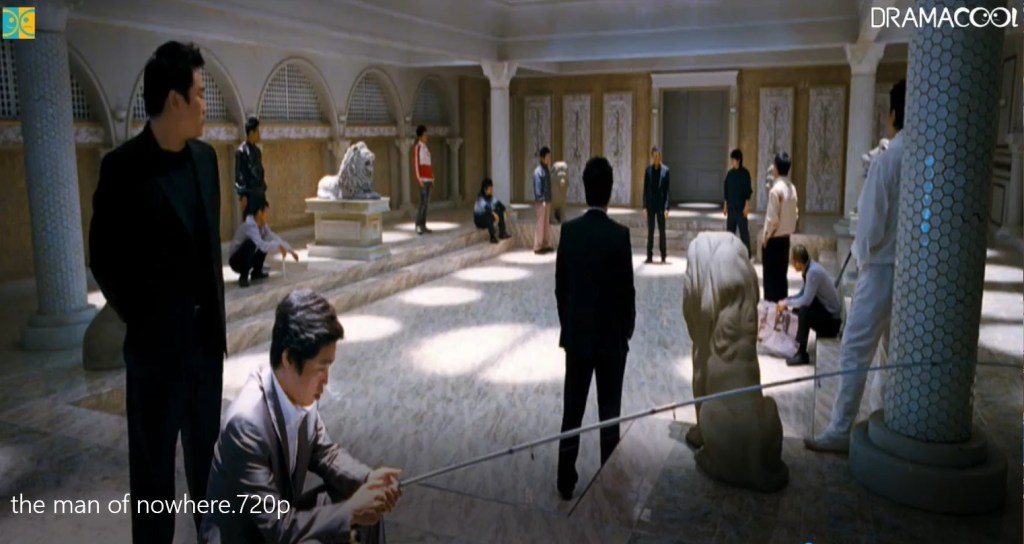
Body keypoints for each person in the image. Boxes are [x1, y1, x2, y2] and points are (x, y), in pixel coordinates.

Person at [89, 41, 225, 544]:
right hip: (154, 358)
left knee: (211, 478)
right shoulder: (123, 168)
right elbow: (103, 259)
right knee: (153, 486)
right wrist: (146, 319)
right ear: (174, 100)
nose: (206, 104)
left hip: (204, 353)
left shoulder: (206, 160)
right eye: (200, 93)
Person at [201, 290, 401, 543]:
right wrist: (351, 511)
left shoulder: (297, 393)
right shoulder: (246, 425)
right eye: (321, 367)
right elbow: (278, 527)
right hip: (248, 536)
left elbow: (326, 454)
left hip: (278, 520)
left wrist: (369, 480)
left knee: (369, 504)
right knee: (348, 516)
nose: (326, 380)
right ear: (288, 358)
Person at [806, 80, 906, 453]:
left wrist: (862, 258)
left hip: (879, 268)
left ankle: (840, 429)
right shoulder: (923, 156)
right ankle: (884, 418)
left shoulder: (888, 160)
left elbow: (869, 227)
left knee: (855, 350)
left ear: (893, 114)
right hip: (909, 271)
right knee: (891, 353)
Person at [555, 156, 636, 500]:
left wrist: (570, 325)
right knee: (609, 415)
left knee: (571, 412)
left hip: (578, 338)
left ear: (584, 188)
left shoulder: (570, 232)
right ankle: (609, 479)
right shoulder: (619, 236)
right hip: (610, 341)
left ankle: (565, 479)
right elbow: (627, 292)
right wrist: (626, 330)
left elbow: (560, 288)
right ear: (610, 192)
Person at [777, 245, 841, 366]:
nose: (792, 264)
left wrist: (787, 303)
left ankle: (801, 354)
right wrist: (787, 300)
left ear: (798, 262)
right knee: (796, 309)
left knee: (804, 312)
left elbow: (806, 300)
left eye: (793, 261)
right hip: (825, 313)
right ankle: (794, 345)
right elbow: (802, 294)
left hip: (832, 323)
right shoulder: (810, 268)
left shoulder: (813, 272)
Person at [228, 195, 299, 287]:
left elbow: (274, 237)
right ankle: (243, 277)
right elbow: (262, 245)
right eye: (265, 213)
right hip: (236, 261)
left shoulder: (262, 225)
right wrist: (278, 246)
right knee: (251, 244)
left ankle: (256, 273)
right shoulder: (250, 226)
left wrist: (291, 251)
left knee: (267, 240)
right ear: (259, 213)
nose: (267, 216)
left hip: (247, 259)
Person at [761, 152, 799, 302]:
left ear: (776, 168)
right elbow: (795, 214)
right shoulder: (792, 188)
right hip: (785, 240)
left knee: (771, 282)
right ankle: (782, 309)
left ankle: (771, 311)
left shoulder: (775, 191)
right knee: (782, 279)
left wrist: (766, 238)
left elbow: (772, 220)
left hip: (774, 241)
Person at [642, 145, 670, 264]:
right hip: (651, 205)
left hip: (661, 205)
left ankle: (663, 255)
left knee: (662, 231)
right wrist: (644, 207)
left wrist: (667, 208)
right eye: (654, 156)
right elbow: (645, 190)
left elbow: (667, 191)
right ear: (652, 157)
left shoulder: (666, 171)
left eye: (658, 156)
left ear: (660, 157)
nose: (656, 158)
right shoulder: (648, 170)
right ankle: (649, 255)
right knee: (650, 231)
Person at [723, 148, 753, 256]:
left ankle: (747, 254)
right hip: (731, 208)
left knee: (744, 233)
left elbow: (748, 191)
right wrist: (725, 205)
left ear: (738, 160)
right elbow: (726, 190)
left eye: (733, 160)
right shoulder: (730, 174)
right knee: (729, 233)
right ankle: (729, 253)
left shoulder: (745, 174)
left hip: (741, 209)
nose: (732, 162)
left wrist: (747, 206)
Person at [235, 116, 266, 213]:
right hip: (249, 195)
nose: (259, 134)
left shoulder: (257, 151)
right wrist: (242, 194)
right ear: (252, 132)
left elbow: (260, 171)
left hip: (259, 193)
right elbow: (240, 174)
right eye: (257, 131)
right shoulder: (242, 151)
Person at [473, 178, 511, 243]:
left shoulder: (490, 197)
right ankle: (492, 237)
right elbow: (486, 208)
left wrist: (505, 210)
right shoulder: (480, 198)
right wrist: (494, 214)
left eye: (492, 189)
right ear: (485, 190)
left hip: (487, 215)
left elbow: (498, 203)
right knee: (488, 216)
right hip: (479, 220)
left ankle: (502, 233)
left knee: (499, 211)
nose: (492, 191)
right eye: (490, 189)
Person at [533, 146, 554, 254]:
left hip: (547, 200)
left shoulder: (546, 170)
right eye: (547, 157)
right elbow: (538, 188)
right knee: (540, 224)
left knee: (546, 224)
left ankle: (545, 244)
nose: (549, 159)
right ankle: (538, 246)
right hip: (541, 202)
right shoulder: (538, 171)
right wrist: (542, 200)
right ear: (542, 158)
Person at [413, 125, 434, 235]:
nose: (427, 137)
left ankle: (423, 225)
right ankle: (418, 225)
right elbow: (416, 164)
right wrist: (419, 179)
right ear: (420, 136)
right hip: (423, 180)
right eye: (425, 135)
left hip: (429, 179)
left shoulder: (426, 148)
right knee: (422, 203)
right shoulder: (418, 148)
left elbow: (429, 164)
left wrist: (432, 178)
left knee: (426, 204)